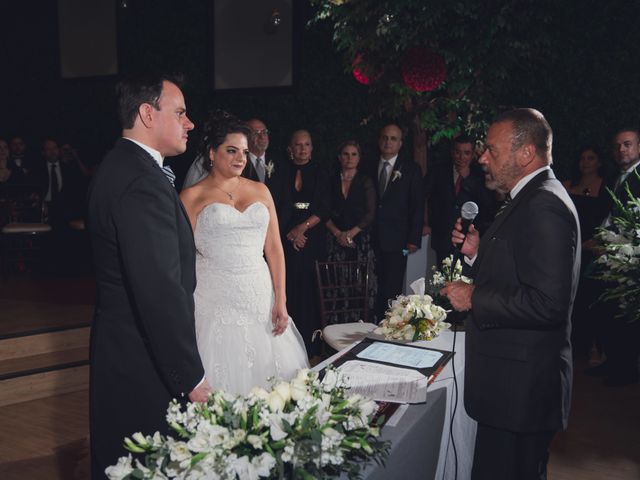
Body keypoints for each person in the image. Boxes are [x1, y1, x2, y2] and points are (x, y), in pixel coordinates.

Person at [441, 108, 580, 480]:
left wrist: (473, 298)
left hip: (521, 391)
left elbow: (548, 303)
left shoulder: (543, 204)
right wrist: (476, 254)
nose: (482, 157)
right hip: (512, 388)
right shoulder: (530, 196)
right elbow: (518, 272)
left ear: (526, 154)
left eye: (491, 149)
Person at [87, 74, 211, 478]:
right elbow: (158, 289)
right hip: (141, 360)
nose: (189, 123)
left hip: (121, 348)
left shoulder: (121, 165)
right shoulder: (141, 180)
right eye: (180, 113)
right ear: (147, 113)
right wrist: (190, 376)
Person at [180, 111, 308, 395]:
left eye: (245, 152)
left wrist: (281, 300)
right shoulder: (191, 197)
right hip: (214, 299)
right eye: (232, 150)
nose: (241, 158)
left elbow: (274, 249)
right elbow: (182, 257)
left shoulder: (261, 190)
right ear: (212, 153)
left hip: (259, 296)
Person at [585, 128, 640, 386]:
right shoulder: (617, 177)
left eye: (627, 145)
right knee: (609, 311)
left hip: (628, 257)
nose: (621, 150)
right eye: (617, 146)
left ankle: (625, 369)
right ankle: (614, 362)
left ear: (638, 146)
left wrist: (609, 243)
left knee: (623, 315)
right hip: (611, 254)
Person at [367, 124, 423, 321]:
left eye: (393, 139)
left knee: (391, 286)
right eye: (384, 137)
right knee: (370, 285)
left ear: (400, 143)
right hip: (370, 237)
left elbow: (417, 205)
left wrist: (413, 239)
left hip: (397, 239)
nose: (388, 142)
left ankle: (388, 325)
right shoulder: (368, 165)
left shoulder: (411, 169)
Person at [283, 129, 329, 355]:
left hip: (313, 237)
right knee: (289, 288)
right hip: (287, 236)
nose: (302, 149)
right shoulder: (282, 170)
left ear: (312, 148)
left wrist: (302, 228)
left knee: (311, 291)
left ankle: (311, 347)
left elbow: (324, 207)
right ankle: (288, 347)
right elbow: (277, 203)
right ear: (290, 148)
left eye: (307, 144)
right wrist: (290, 232)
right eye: (298, 145)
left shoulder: (321, 171)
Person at [562, 146, 609, 363]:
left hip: (592, 250)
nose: (585, 162)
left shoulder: (606, 186)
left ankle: (587, 348)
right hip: (567, 248)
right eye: (582, 158)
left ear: (599, 162)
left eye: (591, 158)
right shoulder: (568, 186)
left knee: (586, 299)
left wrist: (594, 243)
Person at [424, 134, 497, 264]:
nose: (461, 157)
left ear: (473, 154)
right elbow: (424, 197)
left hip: (470, 238)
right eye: (457, 152)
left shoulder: (480, 174)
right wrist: (426, 223)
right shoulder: (439, 171)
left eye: (466, 153)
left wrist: (468, 179)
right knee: (442, 279)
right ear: (452, 152)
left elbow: (488, 205)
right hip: (443, 236)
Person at [325, 140, 377, 316]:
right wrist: (338, 234)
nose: (350, 158)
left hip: (359, 242)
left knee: (359, 285)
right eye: (346, 154)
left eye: (354, 154)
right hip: (334, 241)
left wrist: (351, 234)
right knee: (336, 285)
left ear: (359, 158)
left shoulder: (365, 181)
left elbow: (370, 213)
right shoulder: (330, 181)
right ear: (339, 157)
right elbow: (323, 211)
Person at [241, 118, 292, 231]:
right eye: (256, 133)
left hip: (276, 229)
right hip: (247, 229)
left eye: (264, 132)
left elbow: (287, 201)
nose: (262, 137)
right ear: (245, 136)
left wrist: (275, 229)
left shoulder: (280, 163)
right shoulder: (239, 163)